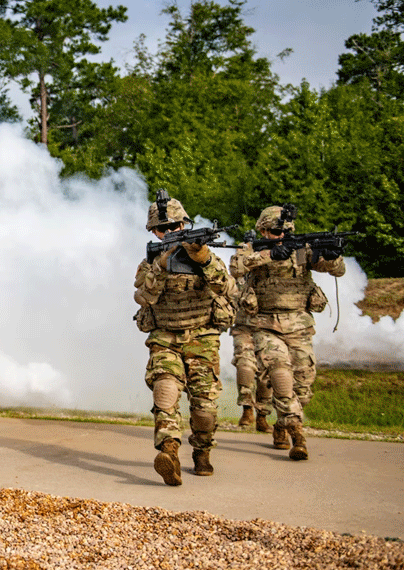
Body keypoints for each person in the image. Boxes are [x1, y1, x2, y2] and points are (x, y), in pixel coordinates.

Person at [133, 192, 236, 486]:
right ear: (154, 232)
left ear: (185, 226)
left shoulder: (205, 256)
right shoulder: (150, 262)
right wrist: (162, 268)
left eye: (174, 228)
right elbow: (144, 297)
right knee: (165, 392)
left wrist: (203, 259)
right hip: (165, 336)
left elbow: (227, 287)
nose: (168, 233)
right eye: (161, 229)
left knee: (205, 408)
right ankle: (169, 453)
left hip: (202, 337)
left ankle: (202, 453)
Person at [236, 205, 346, 460]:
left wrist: (332, 255)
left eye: (284, 232)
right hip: (265, 325)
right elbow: (238, 268)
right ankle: (298, 434)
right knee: (281, 376)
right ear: (262, 230)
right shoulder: (251, 249)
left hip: (299, 327)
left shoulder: (301, 250)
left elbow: (337, 270)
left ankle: (281, 424)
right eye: (274, 232)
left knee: (304, 388)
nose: (280, 236)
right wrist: (271, 255)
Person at [229, 245, 274, 433]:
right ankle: (247, 409)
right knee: (245, 366)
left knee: (267, 374)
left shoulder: (272, 274)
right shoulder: (239, 275)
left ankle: (262, 415)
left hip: (269, 328)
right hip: (244, 328)